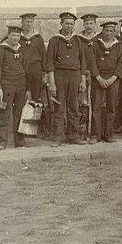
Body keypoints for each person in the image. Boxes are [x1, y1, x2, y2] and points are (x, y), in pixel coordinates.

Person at [45, 12, 87, 147]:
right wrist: (52, 83)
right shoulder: (54, 40)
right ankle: (58, 137)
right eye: (66, 23)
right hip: (59, 76)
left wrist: (83, 80)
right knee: (59, 106)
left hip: (75, 76)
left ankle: (74, 136)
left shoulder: (77, 40)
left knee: (73, 107)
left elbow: (83, 62)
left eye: (71, 24)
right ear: (61, 24)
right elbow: (50, 63)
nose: (69, 26)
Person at [0, 25, 31, 149]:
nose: (15, 38)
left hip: (21, 86)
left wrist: (28, 89)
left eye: (18, 36)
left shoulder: (22, 50)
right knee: (5, 113)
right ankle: (2, 142)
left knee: (19, 114)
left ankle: (19, 141)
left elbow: (27, 70)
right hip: (7, 86)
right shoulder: (1, 50)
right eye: (13, 35)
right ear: (8, 35)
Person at [89, 21, 122, 143]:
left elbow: (121, 63)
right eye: (106, 31)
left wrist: (112, 79)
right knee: (96, 107)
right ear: (102, 31)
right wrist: (98, 77)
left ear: (114, 32)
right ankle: (95, 135)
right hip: (98, 78)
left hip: (113, 79)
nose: (108, 33)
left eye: (111, 31)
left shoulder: (119, 46)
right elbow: (92, 62)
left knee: (111, 107)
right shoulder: (95, 44)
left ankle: (109, 134)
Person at [77, 13, 98, 140]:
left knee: (96, 102)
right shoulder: (78, 39)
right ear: (83, 24)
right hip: (83, 73)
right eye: (87, 23)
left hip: (97, 75)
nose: (89, 26)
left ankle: (95, 131)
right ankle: (82, 131)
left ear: (95, 24)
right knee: (82, 102)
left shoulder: (99, 39)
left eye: (91, 23)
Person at [18, 13, 46, 102]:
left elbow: (44, 56)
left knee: (36, 98)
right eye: (26, 22)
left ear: (33, 23)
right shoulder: (18, 38)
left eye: (31, 22)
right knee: (21, 98)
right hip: (22, 71)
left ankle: (35, 116)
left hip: (36, 71)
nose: (29, 24)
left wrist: (45, 74)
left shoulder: (38, 38)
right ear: (22, 23)